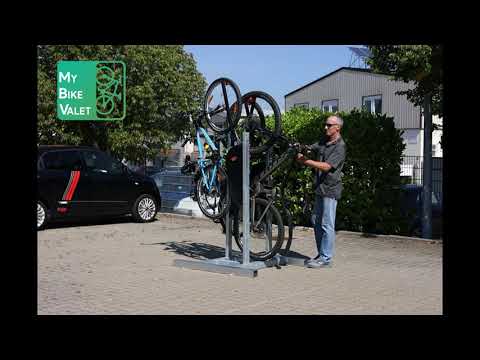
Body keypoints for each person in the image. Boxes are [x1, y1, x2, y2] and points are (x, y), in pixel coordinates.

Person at [296, 115, 346, 268]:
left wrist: (306, 161)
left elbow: (326, 166)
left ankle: (326, 258)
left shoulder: (340, 146)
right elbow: (312, 148)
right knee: (317, 222)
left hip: (330, 189)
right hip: (319, 188)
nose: (325, 127)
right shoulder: (324, 142)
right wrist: (301, 148)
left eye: (329, 125)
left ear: (337, 127)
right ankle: (321, 254)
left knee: (327, 224)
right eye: (325, 124)